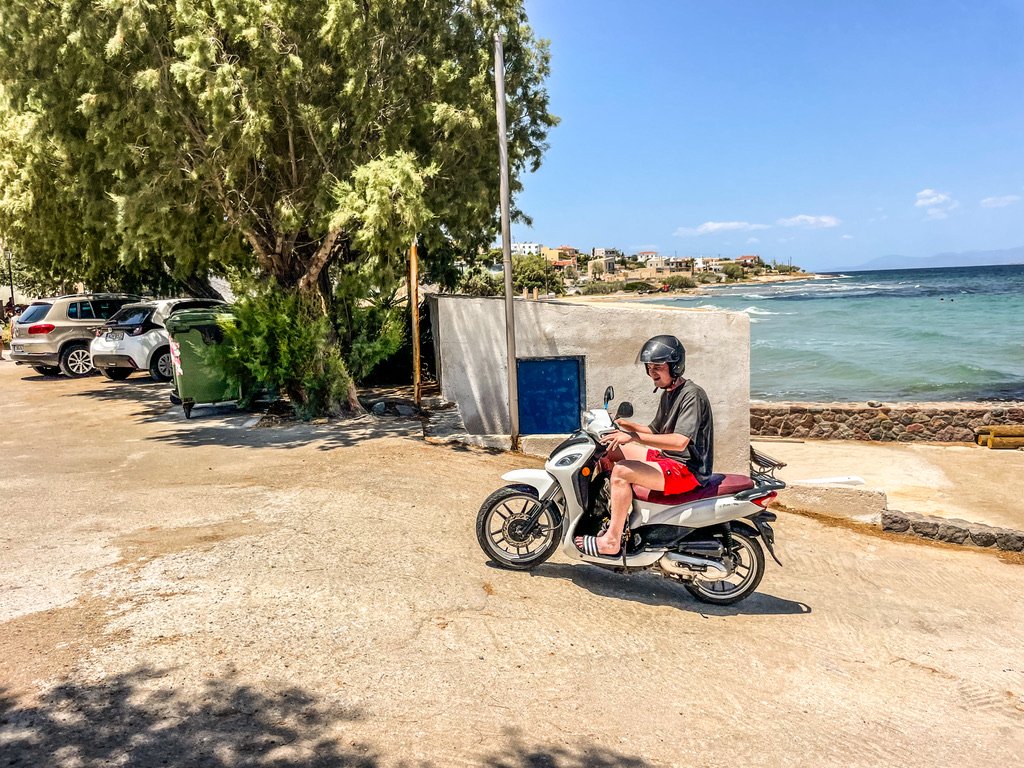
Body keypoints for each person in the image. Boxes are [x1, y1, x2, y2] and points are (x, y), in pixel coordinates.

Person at [575, 335, 714, 558]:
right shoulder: (669, 393)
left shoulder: (692, 395)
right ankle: (611, 512)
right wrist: (623, 425)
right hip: (669, 460)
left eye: (658, 367)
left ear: (675, 365)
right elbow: (654, 431)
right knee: (609, 449)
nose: (652, 373)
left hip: (687, 470)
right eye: (649, 368)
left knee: (622, 472)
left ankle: (612, 540)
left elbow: (679, 441)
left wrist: (632, 437)